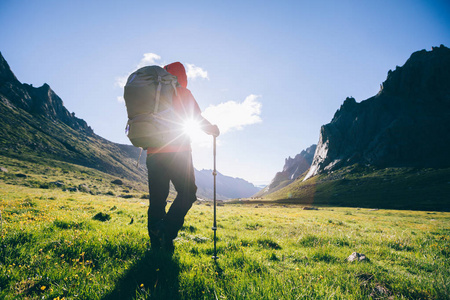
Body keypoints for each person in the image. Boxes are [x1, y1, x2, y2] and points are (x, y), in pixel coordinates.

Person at [146, 62, 219, 253]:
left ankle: (157, 244)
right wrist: (212, 129)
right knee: (188, 192)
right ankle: (167, 232)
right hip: (178, 151)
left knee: (157, 199)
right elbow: (195, 119)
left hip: (153, 154)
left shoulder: (152, 93)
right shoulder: (183, 93)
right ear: (182, 76)